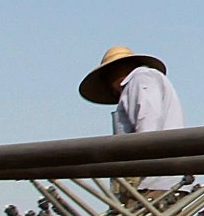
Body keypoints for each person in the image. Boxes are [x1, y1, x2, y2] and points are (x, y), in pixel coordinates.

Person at [79, 46, 184, 203]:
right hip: (160, 180)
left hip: (154, 182)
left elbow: (148, 121)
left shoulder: (141, 79)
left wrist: (136, 167)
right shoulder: (143, 81)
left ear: (113, 73)